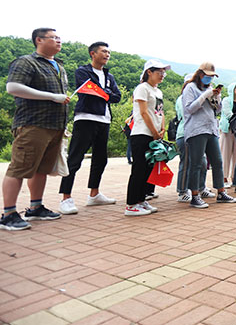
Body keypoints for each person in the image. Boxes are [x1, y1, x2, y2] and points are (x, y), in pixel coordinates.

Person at [1, 28, 68, 230]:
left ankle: (35, 207)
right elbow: (13, 87)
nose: (58, 41)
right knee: (19, 168)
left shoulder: (59, 66)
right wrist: (51, 96)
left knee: (42, 169)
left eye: (59, 38)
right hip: (33, 124)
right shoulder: (26, 62)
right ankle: (8, 213)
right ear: (39, 40)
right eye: (53, 38)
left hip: (55, 125)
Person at [59, 42, 122, 215]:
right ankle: (66, 197)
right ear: (93, 54)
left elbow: (117, 97)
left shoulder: (109, 76)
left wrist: (102, 92)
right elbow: (87, 90)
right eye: (103, 51)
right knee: (75, 158)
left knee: (101, 159)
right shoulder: (83, 71)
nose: (107, 54)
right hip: (85, 118)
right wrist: (106, 93)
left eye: (109, 52)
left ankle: (94, 194)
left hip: (105, 120)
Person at [183, 63, 236, 208]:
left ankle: (221, 192)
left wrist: (217, 98)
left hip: (211, 129)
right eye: (208, 76)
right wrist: (204, 96)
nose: (210, 79)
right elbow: (189, 109)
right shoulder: (190, 88)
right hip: (196, 130)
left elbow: (217, 110)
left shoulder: (208, 88)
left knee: (217, 162)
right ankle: (195, 195)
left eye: (212, 76)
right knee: (196, 164)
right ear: (200, 74)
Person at [125, 59, 170, 216]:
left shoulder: (158, 91)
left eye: (164, 72)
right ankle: (131, 205)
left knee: (148, 170)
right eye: (159, 72)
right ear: (149, 72)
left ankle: (141, 200)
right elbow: (143, 112)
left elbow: (160, 111)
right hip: (142, 133)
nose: (162, 75)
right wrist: (153, 131)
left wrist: (162, 128)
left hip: (154, 135)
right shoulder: (142, 88)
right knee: (138, 169)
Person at [220, 82, 236, 188]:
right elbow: (228, 113)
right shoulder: (226, 100)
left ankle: (235, 176)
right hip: (227, 129)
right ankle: (224, 177)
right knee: (226, 153)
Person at [175, 74, 193, 202]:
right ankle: (182, 191)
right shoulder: (182, 99)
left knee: (201, 163)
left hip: (194, 134)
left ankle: (199, 188)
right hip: (184, 133)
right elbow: (187, 114)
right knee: (186, 163)